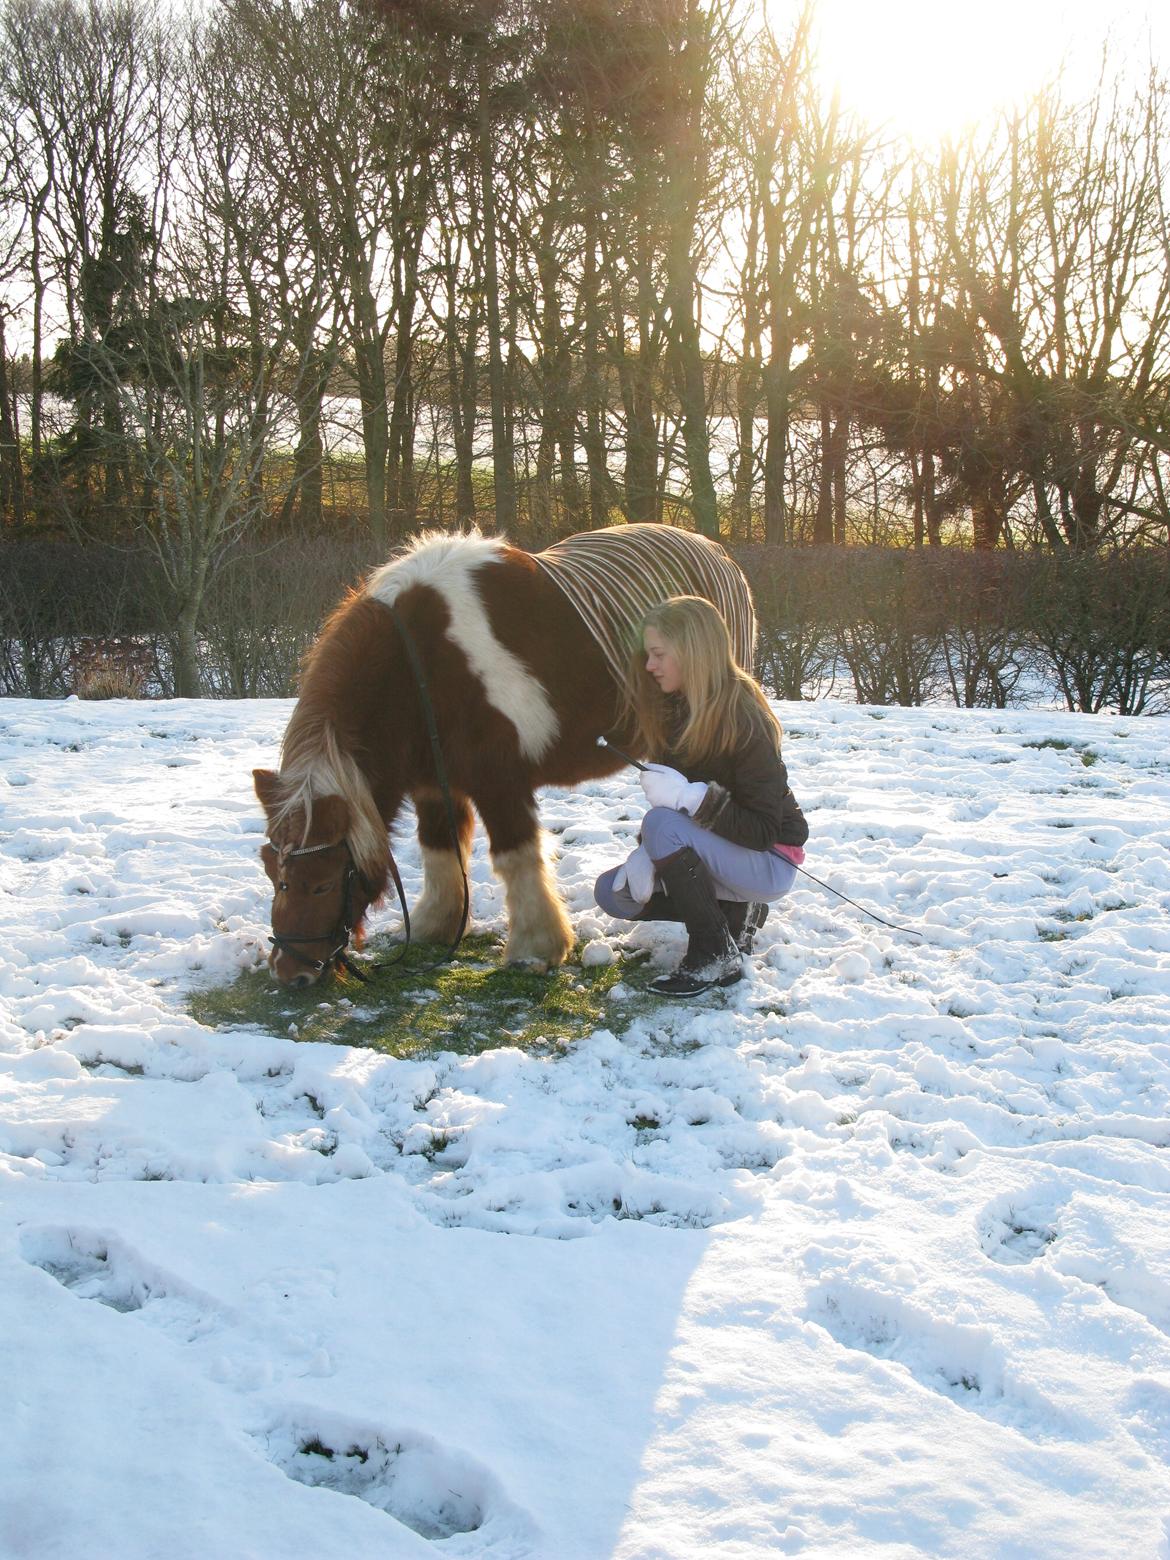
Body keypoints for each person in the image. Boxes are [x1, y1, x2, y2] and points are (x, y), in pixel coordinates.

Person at [594, 595, 808, 997]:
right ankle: (734, 914)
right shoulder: (674, 712)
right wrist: (645, 854)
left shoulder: (745, 719)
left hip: (770, 858)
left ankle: (713, 953)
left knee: (660, 825)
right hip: (726, 850)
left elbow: (762, 830)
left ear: (692, 653)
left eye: (658, 653)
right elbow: (675, 818)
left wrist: (693, 798)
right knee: (613, 895)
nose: (649, 665)